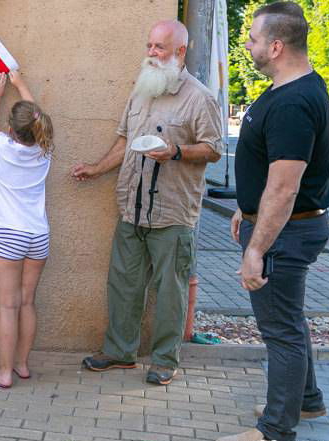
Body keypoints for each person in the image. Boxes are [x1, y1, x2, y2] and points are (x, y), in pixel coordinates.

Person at [71, 20, 222, 385]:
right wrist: (96, 168)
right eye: (149, 45)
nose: (151, 53)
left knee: (170, 291)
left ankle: (165, 360)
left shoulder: (199, 97)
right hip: (132, 205)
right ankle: (119, 352)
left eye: (159, 47)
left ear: (180, 51)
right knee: (123, 284)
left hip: (172, 212)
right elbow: (125, 141)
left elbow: (214, 149)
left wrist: (176, 152)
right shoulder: (142, 90)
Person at [216, 2, 329, 441]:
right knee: (290, 319)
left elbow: (285, 188)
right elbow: (268, 170)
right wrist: (246, 207)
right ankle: (306, 400)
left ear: (277, 46)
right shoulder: (293, 88)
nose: (247, 44)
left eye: (253, 38)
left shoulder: (292, 103)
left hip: (285, 233)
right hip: (283, 224)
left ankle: (275, 432)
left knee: (280, 332)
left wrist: (256, 248)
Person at [0, 70, 54, 389]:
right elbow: (34, 115)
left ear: (11, 130)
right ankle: (22, 364)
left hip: (9, 234)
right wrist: (21, 84)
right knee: (27, 302)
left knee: (8, 305)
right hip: (39, 235)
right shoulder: (45, 149)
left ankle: (4, 372)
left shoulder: (2, 147)